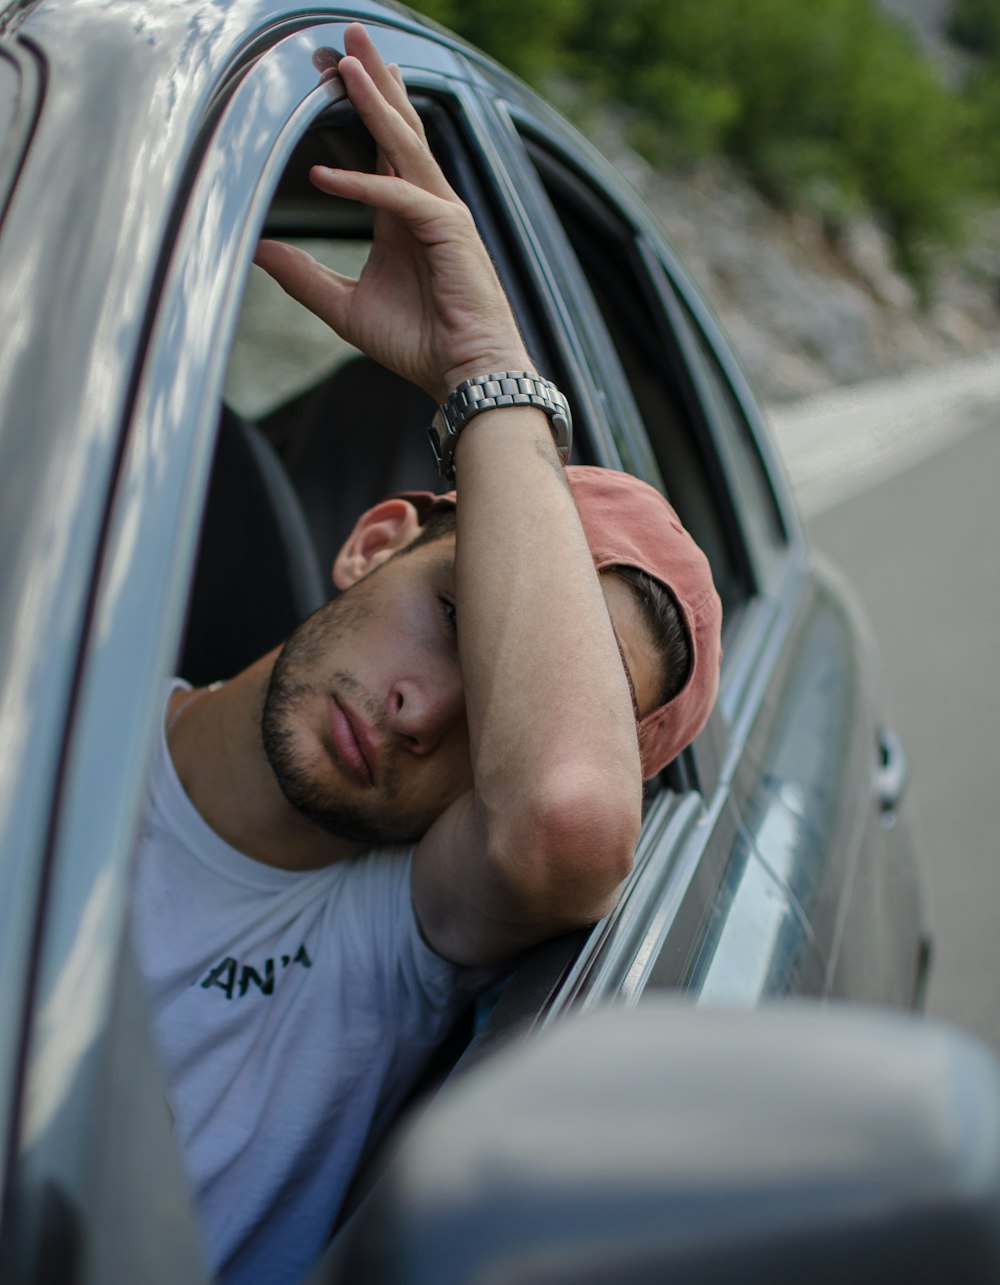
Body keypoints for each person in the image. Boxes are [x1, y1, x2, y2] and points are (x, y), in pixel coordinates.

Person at [130, 22, 722, 1285]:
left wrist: (483, 369)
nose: (416, 712)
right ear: (373, 539)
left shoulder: (386, 942)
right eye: (456, 618)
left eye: (504, 697)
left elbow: (560, 809)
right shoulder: (43, 712)